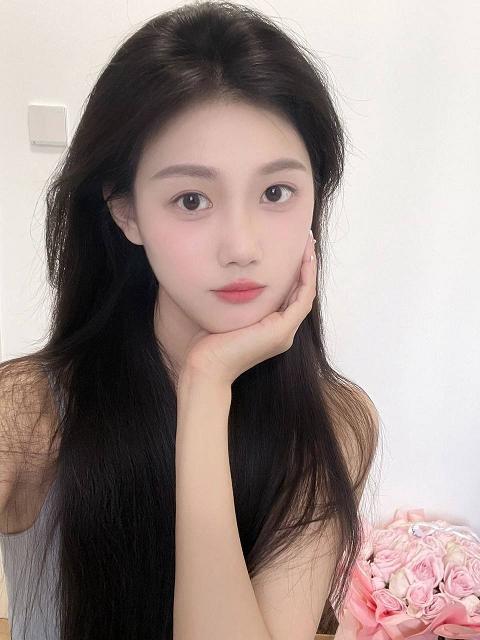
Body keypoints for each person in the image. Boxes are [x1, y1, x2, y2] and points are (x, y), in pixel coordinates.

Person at [0, 2, 380, 638]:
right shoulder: (28, 413)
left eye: (276, 192)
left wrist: (206, 389)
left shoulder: (335, 422)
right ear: (126, 212)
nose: (241, 246)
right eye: (192, 199)